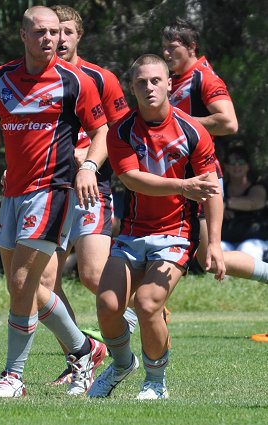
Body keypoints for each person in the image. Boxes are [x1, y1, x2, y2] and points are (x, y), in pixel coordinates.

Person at [0, 6, 109, 398]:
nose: (51, 39)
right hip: (13, 192)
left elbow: (102, 132)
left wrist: (89, 168)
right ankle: (86, 349)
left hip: (53, 191)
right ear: (23, 35)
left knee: (20, 282)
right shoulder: (1, 78)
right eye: (41, 32)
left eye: (54, 32)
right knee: (29, 290)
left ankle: (13, 377)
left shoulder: (74, 81)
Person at [87, 54, 225, 400]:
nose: (148, 87)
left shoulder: (194, 130)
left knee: (148, 304)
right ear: (131, 87)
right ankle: (121, 365)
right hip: (132, 232)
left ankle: (155, 382)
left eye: (155, 81)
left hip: (177, 233)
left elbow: (212, 188)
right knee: (106, 305)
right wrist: (182, 186)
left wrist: (216, 244)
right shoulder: (121, 130)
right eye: (140, 82)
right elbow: (132, 180)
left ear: (168, 84)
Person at [38, 5, 137, 386]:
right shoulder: (36, 79)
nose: (59, 39)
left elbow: (121, 130)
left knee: (95, 276)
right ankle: (80, 356)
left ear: (78, 37)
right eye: (53, 31)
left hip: (92, 187)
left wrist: (90, 160)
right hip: (47, 190)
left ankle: (146, 309)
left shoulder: (100, 77)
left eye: (66, 32)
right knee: (45, 283)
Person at [161, 17, 268, 285]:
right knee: (201, 256)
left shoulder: (204, 78)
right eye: (163, 47)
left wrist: (180, 121)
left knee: (209, 257)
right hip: (180, 177)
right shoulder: (174, 80)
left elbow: (229, 122)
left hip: (202, 176)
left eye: (172, 47)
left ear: (191, 47)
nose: (166, 53)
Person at [221, 145, 268, 260]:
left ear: (248, 166)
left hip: (255, 240)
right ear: (226, 166)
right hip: (227, 240)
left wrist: (224, 204)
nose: (237, 166)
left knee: (247, 249)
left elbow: (255, 202)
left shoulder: (257, 187)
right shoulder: (220, 188)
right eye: (232, 162)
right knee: (218, 250)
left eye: (241, 161)